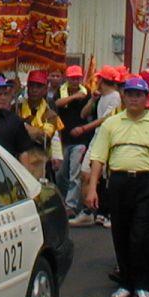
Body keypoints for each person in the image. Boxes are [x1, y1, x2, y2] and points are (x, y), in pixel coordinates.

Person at [84, 76, 149, 297]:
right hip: (119, 182)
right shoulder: (111, 124)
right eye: (130, 94)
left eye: (139, 95)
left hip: (147, 182)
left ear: (147, 98)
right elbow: (98, 157)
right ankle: (125, 282)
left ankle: (143, 285)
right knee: (121, 232)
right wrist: (92, 188)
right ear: (123, 97)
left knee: (141, 234)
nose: (134, 98)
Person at [54, 65, 92, 221]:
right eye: (72, 78)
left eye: (77, 78)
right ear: (67, 78)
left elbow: (89, 112)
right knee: (61, 174)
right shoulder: (61, 91)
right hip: (65, 139)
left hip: (80, 140)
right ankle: (64, 201)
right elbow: (57, 103)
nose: (75, 81)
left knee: (74, 173)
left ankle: (71, 205)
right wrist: (73, 97)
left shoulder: (87, 92)